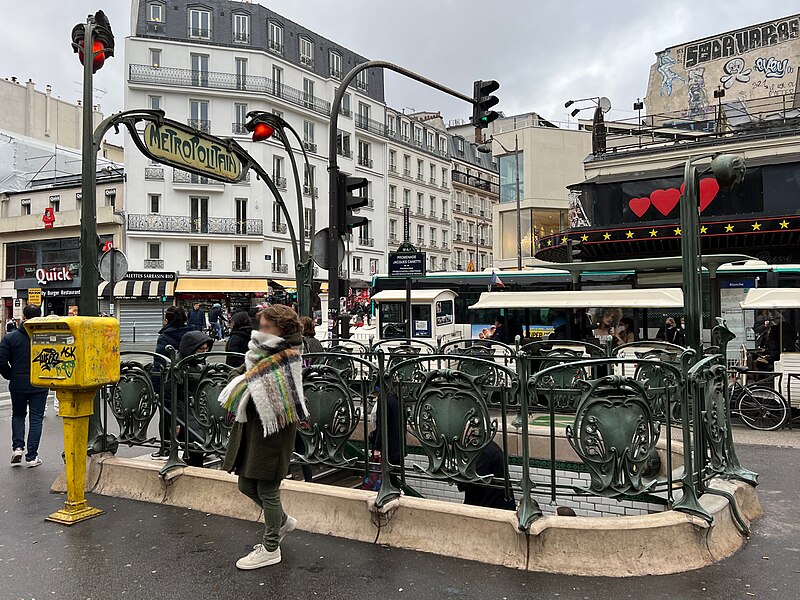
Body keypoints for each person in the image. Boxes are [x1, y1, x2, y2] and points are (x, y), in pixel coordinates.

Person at [220, 305, 308, 570]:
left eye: (266, 326)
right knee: (245, 484)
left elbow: (261, 384)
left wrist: (242, 380)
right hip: (254, 426)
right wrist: (243, 379)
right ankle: (281, 521)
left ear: (282, 328)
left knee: (268, 488)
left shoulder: (288, 355)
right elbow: (250, 377)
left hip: (273, 431)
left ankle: (271, 548)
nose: (260, 330)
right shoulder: (265, 350)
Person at [0, 304, 49, 467]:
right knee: (36, 419)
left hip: (18, 384)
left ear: (23, 317)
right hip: (39, 383)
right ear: (40, 316)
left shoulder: (10, 338)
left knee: (18, 415)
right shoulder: (45, 336)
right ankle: (32, 456)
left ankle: (18, 448)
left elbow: (1, 361)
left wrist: (10, 375)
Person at [152, 306, 194, 460]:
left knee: (166, 414)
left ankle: (166, 447)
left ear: (167, 319)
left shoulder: (164, 336)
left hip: (169, 381)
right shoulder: (191, 334)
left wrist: (156, 385)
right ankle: (189, 446)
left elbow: (159, 363)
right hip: (189, 381)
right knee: (188, 414)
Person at [176, 330, 215, 467]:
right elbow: (169, 396)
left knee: (199, 441)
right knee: (196, 441)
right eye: (200, 349)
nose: (204, 352)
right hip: (185, 409)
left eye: (206, 349)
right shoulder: (179, 365)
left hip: (197, 408)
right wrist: (176, 421)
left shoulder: (197, 363)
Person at [456, 440, 516, 510]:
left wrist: (459, 480)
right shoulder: (487, 447)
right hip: (497, 504)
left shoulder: (483, 452)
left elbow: (473, 482)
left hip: (491, 507)